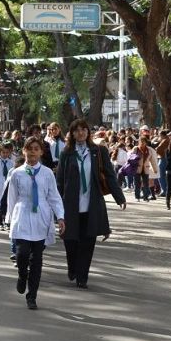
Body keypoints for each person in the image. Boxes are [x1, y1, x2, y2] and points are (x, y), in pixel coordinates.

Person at [56, 119, 126, 289]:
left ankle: (82, 277)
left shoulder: (98, 151)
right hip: (71, 205)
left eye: (84, 130)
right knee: (70, 241)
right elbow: (59, 182)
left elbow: (109, 175)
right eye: (77, 130)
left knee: (88, 241)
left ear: (88, 132)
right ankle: (72, 267)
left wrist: (119, 197)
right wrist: (55, 209)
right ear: (72, 134)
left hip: (91, 204)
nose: (81, 133)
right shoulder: (67, 153)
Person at [7, 137, 65, 310]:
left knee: (37, 260)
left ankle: (32, 296)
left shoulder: (47, 173)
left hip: (41, 218)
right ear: (24, 151)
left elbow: (54, 197)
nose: (32, 151)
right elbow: (12, 198)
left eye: (36, 149)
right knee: (22, 254)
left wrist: (60, 217)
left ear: (41, 152)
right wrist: (10, 221)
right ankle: (22, 275)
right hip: (23, 216)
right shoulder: (17, 173)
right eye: (29, 148)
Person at [0, 141, 15, 231]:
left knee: (8, 203)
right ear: (0, 152)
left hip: (8, 185)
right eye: (3, 152)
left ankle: (7, 221)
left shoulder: (11, 163)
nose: (5, 154)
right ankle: (1, 222)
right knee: (0, 203)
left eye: (7, 152)